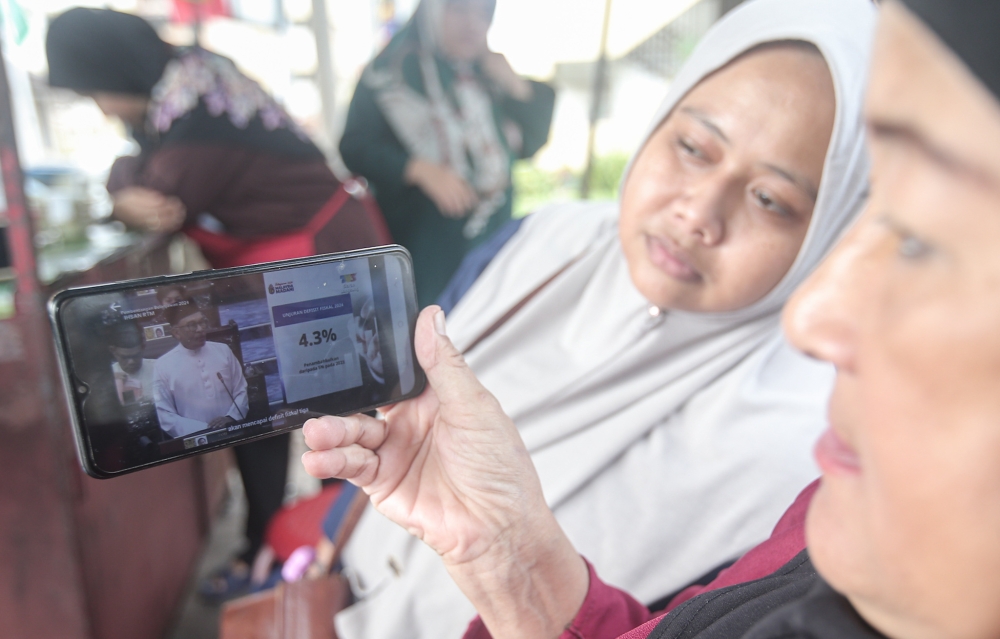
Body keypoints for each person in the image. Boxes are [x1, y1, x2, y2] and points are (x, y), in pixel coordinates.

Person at [302, 0, 1000, 637]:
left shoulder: (823, 468)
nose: (698, 213)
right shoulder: (544, 242)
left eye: (770, 199)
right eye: (693, 147)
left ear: (828, 232)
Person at [44, 7, 390, 268]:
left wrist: (120, 184)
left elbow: (163, 203)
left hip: (324, 253)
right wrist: (126, 183)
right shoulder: (187, 78)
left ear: (116, 72)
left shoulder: (198, 112)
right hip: (318, 245)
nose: (104, 111)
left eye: (96, 95)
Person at [339, 0, 556, 305]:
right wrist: (417, 169)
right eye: (459, 9)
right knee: (430, 338)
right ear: (432, 10)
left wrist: (515, 86)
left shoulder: (487, 76)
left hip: (490, 245)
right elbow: (354, 146)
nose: (472, 24)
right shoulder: (391, 74)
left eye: (483, 13)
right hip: (423, 252)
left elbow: (532, 142)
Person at [153, 299, 248, 438]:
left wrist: (231, 418)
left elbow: (241, 390)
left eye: (202, 322)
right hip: (196, 440)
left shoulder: (223, 351)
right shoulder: (162, 365)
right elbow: (165, 415)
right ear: (176, 333)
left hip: (233, 433)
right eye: (192, 325)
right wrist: (204, 430)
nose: (200, 329)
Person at [107, 324, 156, 405]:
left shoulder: (159, 368)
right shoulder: (107, 377)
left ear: (143, 347)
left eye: (136, 356)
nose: (131, 362)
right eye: (124, 357)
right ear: (113, 351)